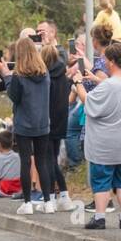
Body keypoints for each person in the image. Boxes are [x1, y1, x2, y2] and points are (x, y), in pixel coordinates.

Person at [83, 43, 121, 229]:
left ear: (112, 61)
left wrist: (78, 84)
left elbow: (90, 103)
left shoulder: (108, 85)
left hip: (105, 143)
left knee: (101, 180)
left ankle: (100, 217)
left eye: (106, 60)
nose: (105, 63)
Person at [0, 36, 56, 215]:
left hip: (24, 124)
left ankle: (28, 202)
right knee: (42, 162)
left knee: (25, 161)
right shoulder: (45, 73)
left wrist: (6, 75)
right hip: (42, 124)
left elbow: (13, 96)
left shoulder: (19, 76)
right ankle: (48, 201)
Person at [41, 42, 71, 208]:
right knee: (52, 158)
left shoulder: (45, 77)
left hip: (47, 120)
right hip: (61, 119)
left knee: (49, 159)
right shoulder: (63, 74)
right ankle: (63, 195)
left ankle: (51, 195)